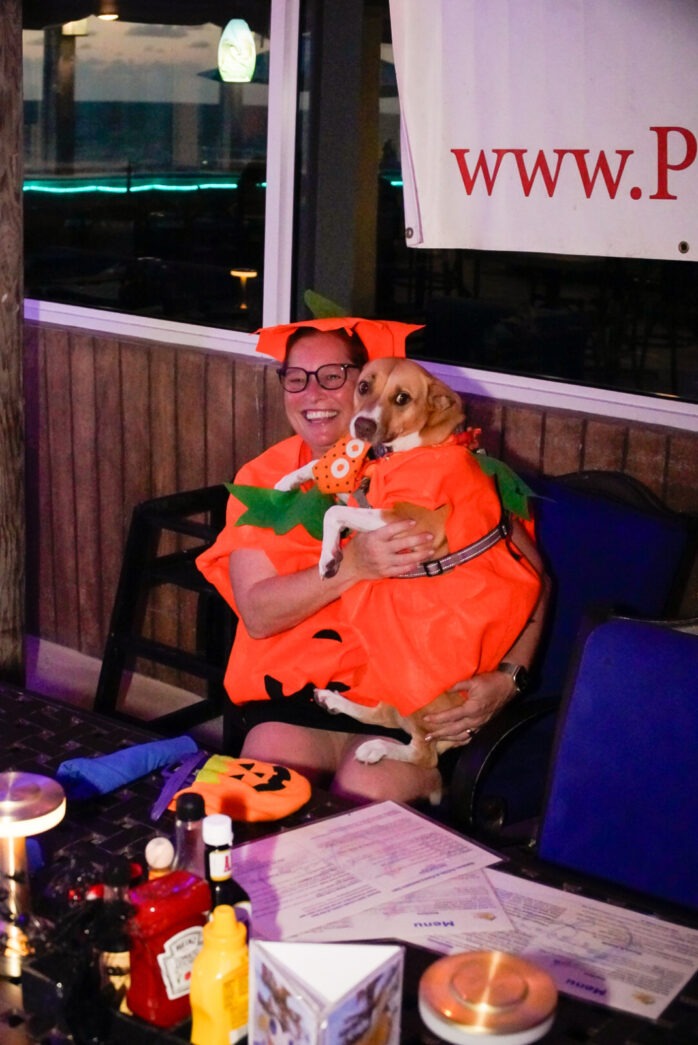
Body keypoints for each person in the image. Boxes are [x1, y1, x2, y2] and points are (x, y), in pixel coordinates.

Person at [197, 318, 550, 805]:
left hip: (416, 697)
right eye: (295, 377)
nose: (311, 393)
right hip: (300, 691)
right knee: (250, 801)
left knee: (364, 801)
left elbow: (533, 579)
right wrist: (355, 565)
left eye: (333, 376)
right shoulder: (266, 478)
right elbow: (258, 614)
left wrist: (509, 679)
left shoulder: (447, 467)